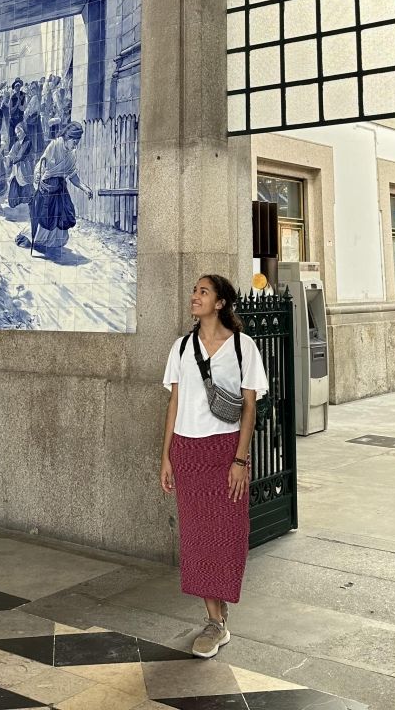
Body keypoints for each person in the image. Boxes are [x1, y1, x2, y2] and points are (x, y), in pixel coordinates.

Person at [160, 274, 269, 660]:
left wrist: (240, 459)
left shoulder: (244, 347)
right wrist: (166, 457)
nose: (194, 296)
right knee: (197, 536)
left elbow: (250, 407)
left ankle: (220, 614)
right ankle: (214, 621)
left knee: (226, 534)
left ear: (220, 302)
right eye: (194, 290)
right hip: (188, 451)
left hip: (225, 452)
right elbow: (174, 403)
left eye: (203, 292)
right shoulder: (182, 346)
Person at [29, 119, 93, 256]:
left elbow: (72, 175)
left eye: (78, 142)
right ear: (67, 137)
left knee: (64, 214)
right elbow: (42, 163)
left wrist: (85, 188)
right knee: (47, 215)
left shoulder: (71, 154)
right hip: (47, 185)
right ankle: (39, 243)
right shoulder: (55, 145)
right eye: (74, 142)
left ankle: (54, 245)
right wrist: (39, 180)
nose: (76, 145)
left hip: (60, 187)